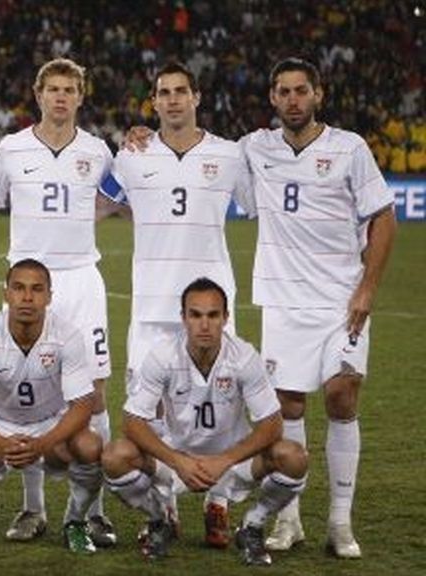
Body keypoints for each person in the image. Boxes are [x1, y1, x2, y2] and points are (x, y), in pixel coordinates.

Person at [0, 58, 116, 546]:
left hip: (81, 280)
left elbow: (116, 200)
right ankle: (32, 508)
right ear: (38, 95)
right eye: (53, 89)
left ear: (80, 97)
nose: (61, 97)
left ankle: (94, 512)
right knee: (26, 391)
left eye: (69, 90)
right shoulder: (12, 148)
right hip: (26, 282)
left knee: (94, 394)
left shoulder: (98, 151)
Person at [240, 58, 396, 559]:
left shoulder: (349, 148)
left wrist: (367, 288)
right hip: (283, 302)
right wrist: (144, 134)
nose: (293, 100)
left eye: (301, 90)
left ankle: (339, 521)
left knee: (342, 395)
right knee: (288, 406)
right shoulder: (254, 148)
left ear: (318, 94)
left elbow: (384, 218)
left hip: (340, 303)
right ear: (272, 98)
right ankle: (289, 520)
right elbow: (196, 145)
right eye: (284, 91)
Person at [106, 61, 251, 548]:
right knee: (147, 415)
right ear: (153, 102)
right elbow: (102, 204)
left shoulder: (229, 155)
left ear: (197, 97)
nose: (172, 100)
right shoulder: (131, 155)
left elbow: (261, 206)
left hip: (212, 307)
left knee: (224, 410)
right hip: (151, 306)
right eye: (163, 93)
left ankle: (218, 504)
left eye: (180, 91)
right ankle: (163, 507)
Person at [102, 277, 308, 565]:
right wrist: (178, 461)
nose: (204, 324)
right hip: (176, 461)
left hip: (233, 463)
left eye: (213, 315)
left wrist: (225, 460)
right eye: (196, 315)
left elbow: (273, 424)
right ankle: (160, 519)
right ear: (183, 318)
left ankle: (252, 525)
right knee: (115, 456)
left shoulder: (244, 357)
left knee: (294, 457)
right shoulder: (162, 356)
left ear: (225, 318)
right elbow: (132, 421)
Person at [0, 259, 105, 553]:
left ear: (49, 297)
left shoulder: (67, 336)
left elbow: (82, 405)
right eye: (18, 288)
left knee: (90, 445)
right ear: (6, 294)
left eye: (36, 289)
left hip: (50, 424)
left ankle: (75, 522)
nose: (27, 297)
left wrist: (42, 444)